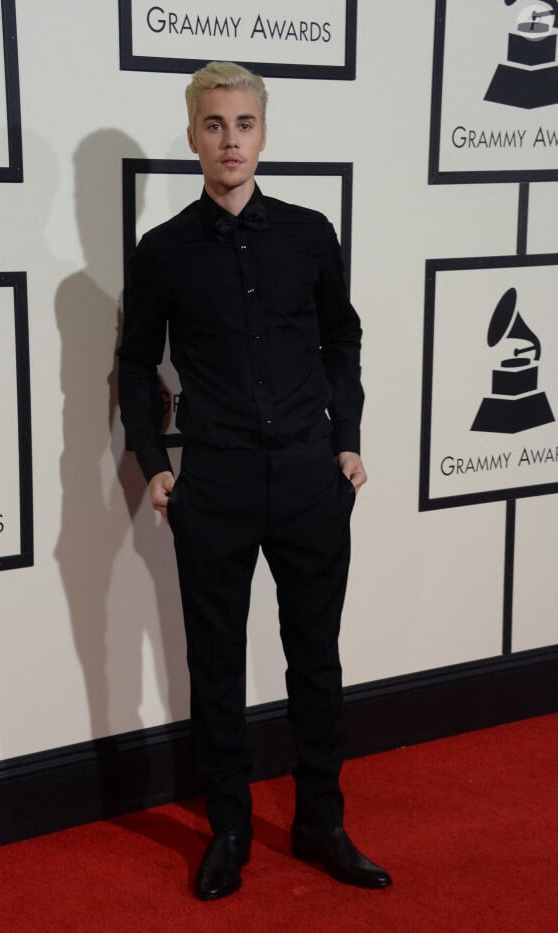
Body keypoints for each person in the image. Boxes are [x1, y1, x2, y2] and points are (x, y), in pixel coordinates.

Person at [118, 61, 392, 901]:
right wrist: (154, 467)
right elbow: (134, 364)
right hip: (218, 486)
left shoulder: (310, 235)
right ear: (194, 134)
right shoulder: (162, 251)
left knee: (316, 659)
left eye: (243, 124)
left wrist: (346, 441)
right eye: (213, 125)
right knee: (217, 665)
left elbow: (341, 338)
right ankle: (228, 827)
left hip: (312, 480)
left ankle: (320, 820)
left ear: (263, 132)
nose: (229, 140)